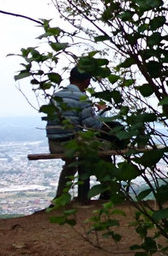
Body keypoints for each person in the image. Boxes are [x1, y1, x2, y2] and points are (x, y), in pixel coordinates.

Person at [43, 66, 117, 203]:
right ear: (86, 81)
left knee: (71, 163)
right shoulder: (82, 98)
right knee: (104, 150)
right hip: (71, 144)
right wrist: (102, 111)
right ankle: (107, 191)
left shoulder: (56, 96)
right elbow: (93, 126)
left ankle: (59, 198)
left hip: (54, 144)